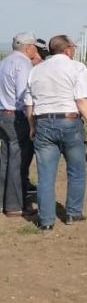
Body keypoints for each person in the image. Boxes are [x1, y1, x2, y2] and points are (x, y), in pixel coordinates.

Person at [25, 35, 87, 230]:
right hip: (70, 121)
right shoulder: (77, 68)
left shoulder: (36, 71)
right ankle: (73, 213)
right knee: (76, 170)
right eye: (72, 47)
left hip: (43, 123)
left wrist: (32, 125)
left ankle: (46, 221)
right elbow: (81, 99)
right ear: (66, 49)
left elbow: (29, 103)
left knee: (45, 174)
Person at [0, 32, 38, 217]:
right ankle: (15, 205)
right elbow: (25, 95)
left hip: (3, 113)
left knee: (6, 158)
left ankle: (2, 200)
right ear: (28, 47)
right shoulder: (23, 63)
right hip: (17, 116)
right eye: (34, 46)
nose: (36, 50)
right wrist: (31, 120)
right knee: (18, 160)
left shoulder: (4, 62)